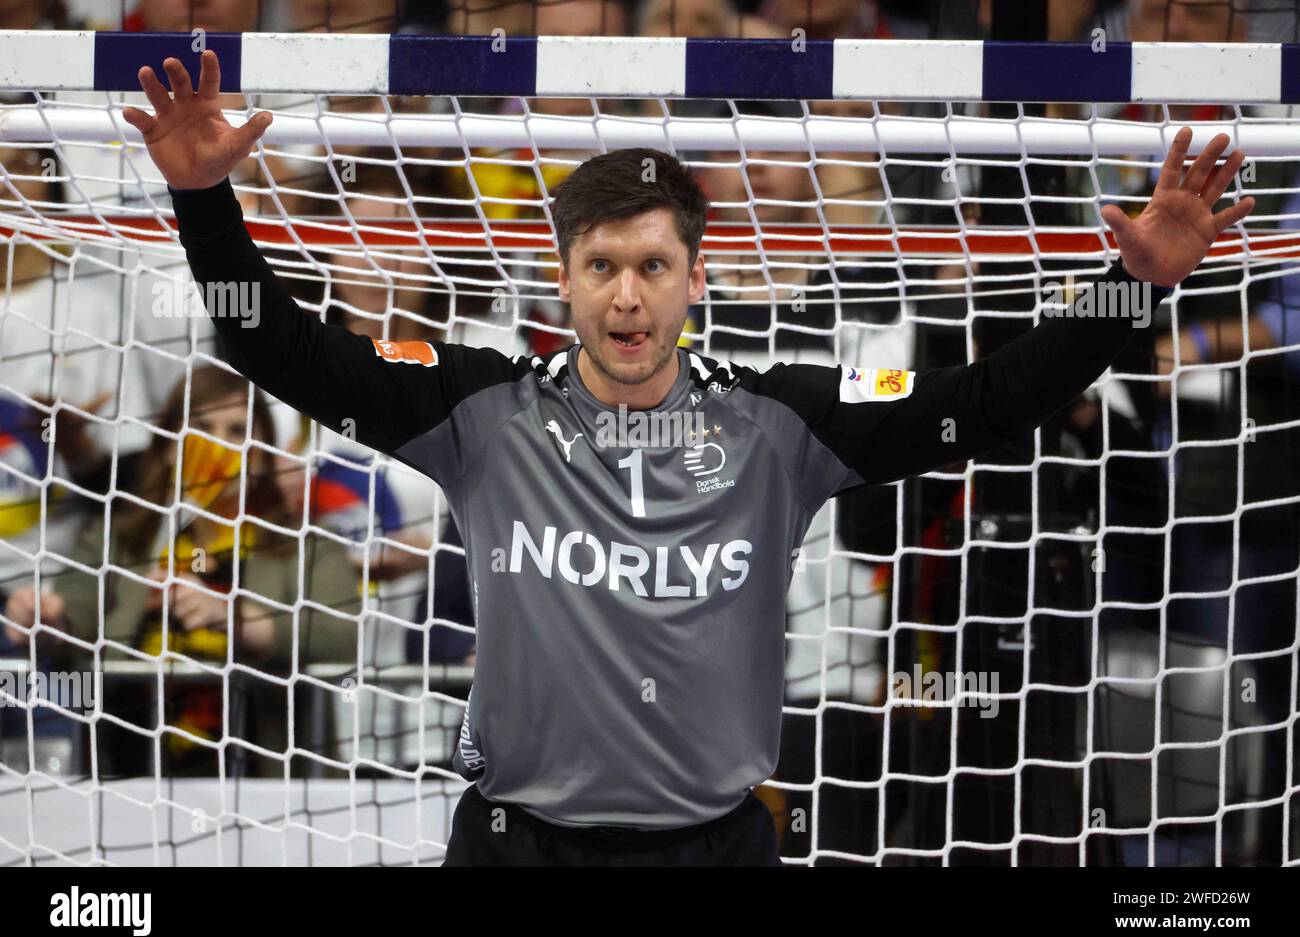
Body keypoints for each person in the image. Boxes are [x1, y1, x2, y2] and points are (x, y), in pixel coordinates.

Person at [121, 49, 1251, 865]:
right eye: (602, 264)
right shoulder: (478, 408)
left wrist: (1133, 287)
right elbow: (266, 342)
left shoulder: (781, 421)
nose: (626, 294)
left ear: (695, 280)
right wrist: (201, 200)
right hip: (515, 844)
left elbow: (989, 400)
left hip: (713, 847)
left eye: (654, 266)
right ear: (562, 280)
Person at [3, 365, 364, 777]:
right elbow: (75, 614)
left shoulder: (307, 547)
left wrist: (235, 618)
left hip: (266, 782)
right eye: (202, 427)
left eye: (236, 431)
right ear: (171, 445)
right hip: (129, 773)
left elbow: (343, 639)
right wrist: (45, 616)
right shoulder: (119, 537)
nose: (216, 446)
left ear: (263, 456)